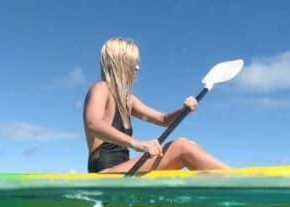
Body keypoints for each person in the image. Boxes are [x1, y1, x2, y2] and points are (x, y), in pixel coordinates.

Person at [84, 37, 229, 173]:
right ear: (120, 64)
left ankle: (233, 181)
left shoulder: (128, 99)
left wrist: (184, 110)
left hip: (124, 172)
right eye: (133, 62)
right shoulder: (101, 88)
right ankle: (243, 182)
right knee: (182, 147)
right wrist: (137, 144)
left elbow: (163, 119)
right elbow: (93, 124)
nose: (137, 68)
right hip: (104, 174)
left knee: (191, 146)